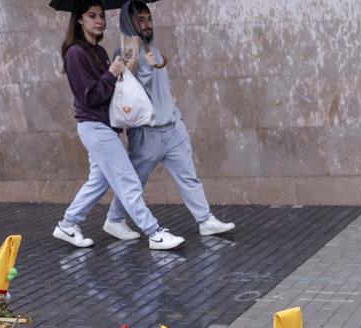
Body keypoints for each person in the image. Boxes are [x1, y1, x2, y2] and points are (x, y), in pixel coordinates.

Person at [53, 2, 184, 251]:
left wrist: (124, 67)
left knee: (99, 182)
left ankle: (68, 224)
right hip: (95, 127)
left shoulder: (98, 51)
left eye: (101, 16)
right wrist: (112, 72)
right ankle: (154, 233)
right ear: (79, 19)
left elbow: (110, 91)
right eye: (91, 16)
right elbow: (90, 96)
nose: (99, 21)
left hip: (104, 126)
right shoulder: (75, 53)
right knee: (127, 180)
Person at [101, 1, 235, 241]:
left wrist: (176, 116)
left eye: (148, 18)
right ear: (128, 23)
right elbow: (126, 90)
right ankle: (114, 219)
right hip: (147, 133)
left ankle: (205, 220)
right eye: (140, 19)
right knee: (135, 181)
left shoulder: (154, 49)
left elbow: (161, 90)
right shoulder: (123, 54)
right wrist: (145, 66)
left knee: (189, 177)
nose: (147, 24)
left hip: (173, 128)